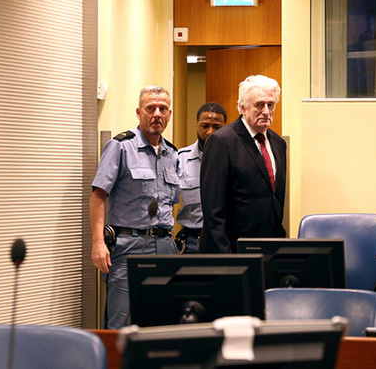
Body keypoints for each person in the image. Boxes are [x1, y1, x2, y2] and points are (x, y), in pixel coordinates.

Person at [89, 86, 181, 329]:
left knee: (162, 320)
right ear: (139, 112)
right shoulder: (120, 146)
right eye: (151, 108)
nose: (157, 114)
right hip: (129, 247)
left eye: (163, 109)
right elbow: (98, 196)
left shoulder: (172, 154)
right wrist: (98, 242)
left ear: (169, 114)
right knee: (122, 322)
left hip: (165, 246)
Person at [200, 75, 287, 253]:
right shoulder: (221, 141)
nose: (266, 111)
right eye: (259, 105)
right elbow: (213, 210)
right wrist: (227, 259)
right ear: (242, 107)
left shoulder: (278, 143)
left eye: (270, 105)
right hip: (233, 250)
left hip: (269, 249)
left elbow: (274, 200)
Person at [174, 102, 227, 253]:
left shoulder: (234, 159)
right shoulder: (181, 159)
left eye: (216, 127)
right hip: (192, 241)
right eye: (205, 126)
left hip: (225, 239)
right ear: (197, 125)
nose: (210, 132)